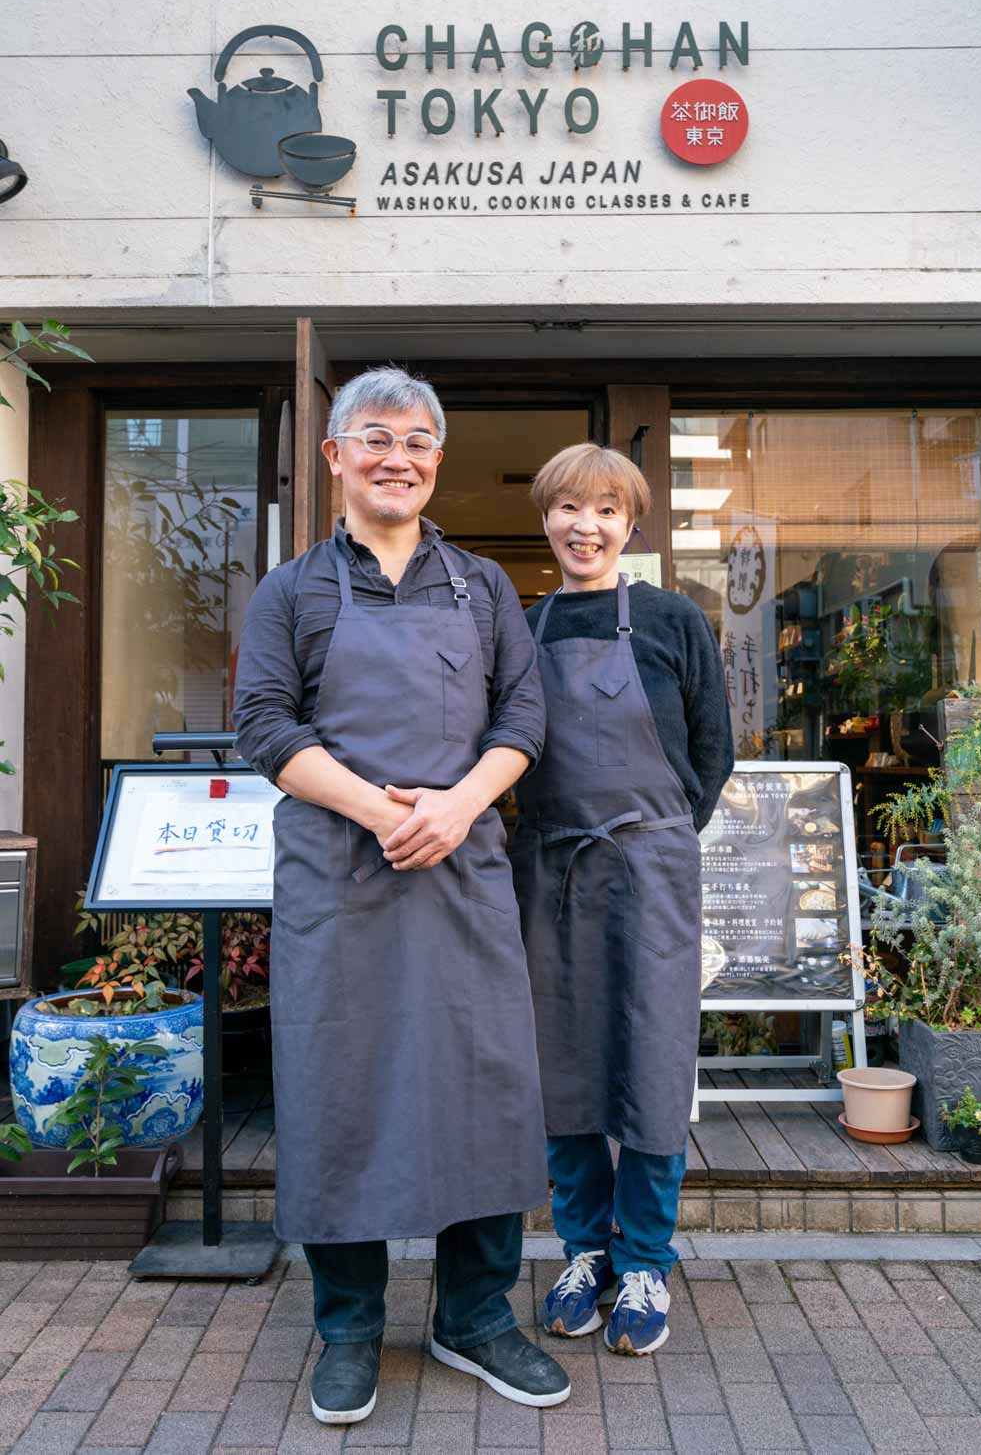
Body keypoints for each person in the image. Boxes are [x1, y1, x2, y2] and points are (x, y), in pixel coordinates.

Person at [233, 367, 570, 1424]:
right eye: (376, 438)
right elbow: (263, 725)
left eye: (418, 441)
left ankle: (475, 1315)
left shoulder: (481, 586)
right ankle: (347, 1328)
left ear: (436, 461)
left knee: (484, 1083)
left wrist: (459, 806)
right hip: (339, 876)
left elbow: (522, 716)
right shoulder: (291, 591)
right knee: (339, 1086)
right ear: (335, 456)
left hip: (461, 872)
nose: (398, 457)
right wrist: (381, 813)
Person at [512, 442, 734, 1356]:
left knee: (651, 1062)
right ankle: (583, 1252)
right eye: (569, 507)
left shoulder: (673, 619)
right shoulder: (517, 629)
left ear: (630, 524)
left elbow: (713, 750)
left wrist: (659, 835)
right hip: (551, 867)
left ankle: (643, 1260)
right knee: (560, 1065)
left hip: (651, 866)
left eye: (606, 509)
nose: (586, 526)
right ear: (546, 519)